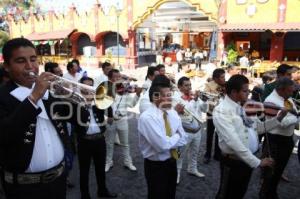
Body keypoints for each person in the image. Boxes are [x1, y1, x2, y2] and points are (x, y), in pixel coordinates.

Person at [0, 38, 85, 199]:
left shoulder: (49, 93)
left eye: (33, 59)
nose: (30, 66)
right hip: (24, 189)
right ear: (7, 66)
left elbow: (80, 121)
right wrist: (34, 97)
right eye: (20, 61)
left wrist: (79, 99)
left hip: (58, 181)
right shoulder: (3, 96)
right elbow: (5, 134)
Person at [213, 74, 287, 199]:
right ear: (234, 92)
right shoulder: (222, 110)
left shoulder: (246, 106)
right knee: (226, 194)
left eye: (248, 90)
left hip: (247, 160)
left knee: (240, 192)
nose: (248, 94)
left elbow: (257, 128)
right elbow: (233, 141)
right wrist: (257, 162)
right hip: (233, 162)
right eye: (245, 91)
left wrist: (278, 118)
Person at [138, 75, 187, 199]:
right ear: (156, 97)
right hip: (156, 167)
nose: (170, 99)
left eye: (170, 95)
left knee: (171, 194)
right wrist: (176, 136)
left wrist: (173, 138)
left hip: (172, 162)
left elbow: (184, 138)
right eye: (167, 96)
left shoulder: (172, 113)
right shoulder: (147, 117)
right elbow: (162, 146)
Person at [74, 76, 117, 199]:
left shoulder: (99, 102)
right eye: (85, 88)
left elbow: (108, 102)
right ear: (80, 89)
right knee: (84, 170)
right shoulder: (75, 103)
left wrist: (110, 115)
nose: (88, 91)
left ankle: (102, 191)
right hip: (84, 142)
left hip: (99, 140)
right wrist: (84, 104)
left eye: (90, 87)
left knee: (100, 168)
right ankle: (85, 195)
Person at [260, 77, 299, 199]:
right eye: (290, 91)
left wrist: (294, 117)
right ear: (281, 90)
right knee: (270, 174)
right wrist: (297, 117)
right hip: (274, 141)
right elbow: (282, 123)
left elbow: (290, 117)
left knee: (278, 171)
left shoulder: (286, 97)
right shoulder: (270, 101)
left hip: (286, 139)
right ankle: (265, 195)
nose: (292, 94)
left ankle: (272, 193)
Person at [105, 69, 142, 172]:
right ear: (109, 79)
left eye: (119, 77)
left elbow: (131, 104)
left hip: (123, 120)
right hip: (110, 121)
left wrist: (137, 95)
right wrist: (108, 116)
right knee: (109, 143)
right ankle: (108, 162)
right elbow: (102, 106)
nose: (118, 79)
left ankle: (128, 162)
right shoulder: (105, 90)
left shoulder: (124, 91)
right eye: (115, 77)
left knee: (125, 144)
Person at [174, 77, 208, 184]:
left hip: (197, 131)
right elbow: (186, 109)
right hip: (185, 132)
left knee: (195, 152)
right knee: (179, 155)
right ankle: (176, 174)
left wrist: (203, 100)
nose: (189, 87)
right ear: (179, 87)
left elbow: (204, 109)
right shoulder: (176, 98)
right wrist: (194, 99)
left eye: (190, 85)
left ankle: (192, 169)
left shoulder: (194, 97)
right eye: (186, 85)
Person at [203, 68, 226, 164]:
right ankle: (207, 154)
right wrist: (217, 98)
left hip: (222, 113)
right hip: (211, 112)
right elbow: (205, 98)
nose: (224, 79)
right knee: (210, 133)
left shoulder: (226, 85)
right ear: (215, 78)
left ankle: (217, 153)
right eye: (222, 77)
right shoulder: (208, 85)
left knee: (219, 133)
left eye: (224, 76)